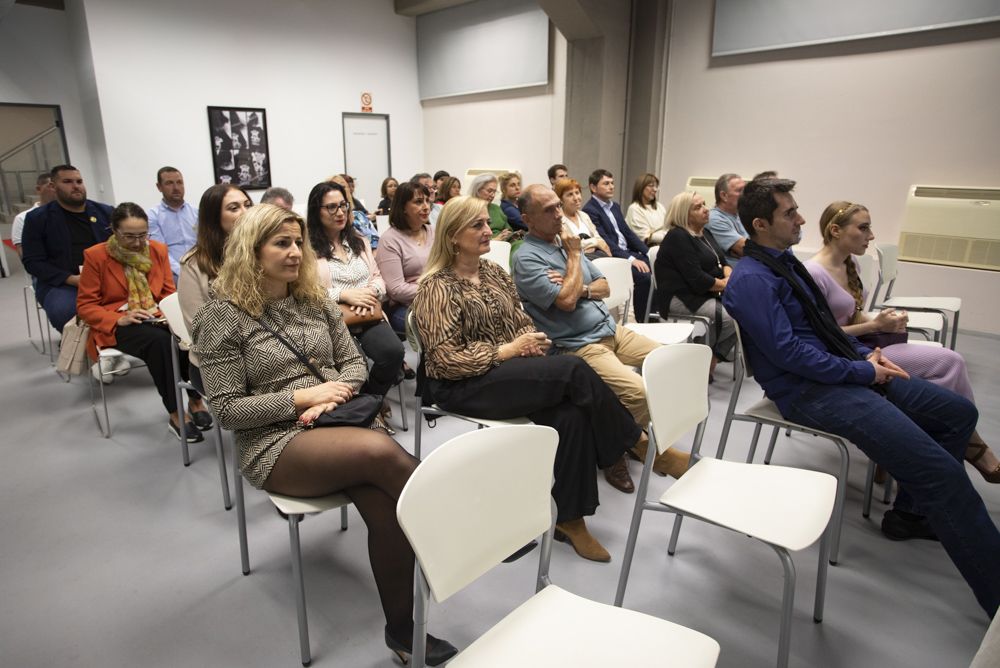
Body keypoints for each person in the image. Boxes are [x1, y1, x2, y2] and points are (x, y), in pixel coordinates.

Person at [723, 177, 1000, 618]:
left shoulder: (786, 264)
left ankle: (912, 514)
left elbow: (825, 329)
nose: (800, 218)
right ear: (760, 224)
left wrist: (865, 352)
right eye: (789, 213)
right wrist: (864, 371)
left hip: (842, 371)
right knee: (941, 473)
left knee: (957, 412)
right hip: (809, 392)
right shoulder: (753, 280)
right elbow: (792, 355)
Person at [191, 204, 456, 665]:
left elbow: (354, 363)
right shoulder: (222, 317)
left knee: (386, 508)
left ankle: (402, 633)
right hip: (275, 443)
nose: (295, 253)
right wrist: (302, 399)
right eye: (281, 244)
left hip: (336, 425)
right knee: (378, 451)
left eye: (298, 243)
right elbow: (228, 411)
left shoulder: (315, 302)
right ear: (250, 252)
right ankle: (464, 522)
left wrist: (335, 395)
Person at [412, 195, 643, 562]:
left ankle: (571, 519)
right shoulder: (436, 286)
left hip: (503, 371)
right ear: (453, 236)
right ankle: (634, 440)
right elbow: (443, 361)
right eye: (477, 225)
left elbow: (520, 322)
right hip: (460, 384)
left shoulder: (493, 272)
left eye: (487, 224)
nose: (489, 230)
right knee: (572, 369)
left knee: (572, 415)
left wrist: (530, 341)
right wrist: (507, 350)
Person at [805, 200, 999, 483]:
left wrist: (885, 321)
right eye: (864, 228)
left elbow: (852, 316)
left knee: (946, 368)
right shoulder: (813, 274)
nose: (871, 236)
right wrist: (875, 324)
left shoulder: (852, 264)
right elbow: (822, 336)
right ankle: (969, 448)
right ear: (835, 230)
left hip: (864, 344)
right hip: (846, 354)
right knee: (950, 364)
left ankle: (947, 448)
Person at [513, 185, 690, 482]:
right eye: (549, 210)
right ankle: (615, 449)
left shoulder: (564, 241)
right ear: (527, 218)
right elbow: (566, 303)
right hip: (579, 344)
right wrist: (573, 258)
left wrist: (576, 285)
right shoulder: (528, 258)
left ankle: (619, 437)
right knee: (640, 392)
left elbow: (603, 287)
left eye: (558, 206)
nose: (559, 214)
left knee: (671, 362)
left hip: (611, 330)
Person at [77, 202, 208, 442]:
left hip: (154, 315)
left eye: (142, 235)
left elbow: (168, 294)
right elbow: (85, 307)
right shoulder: (96, 256)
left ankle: (195, 401)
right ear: (113, 231)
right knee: (160, 343)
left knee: (182, 337)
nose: (138, 243)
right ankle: (176, 414)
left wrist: (164, 314)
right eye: (129, 236)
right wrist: (120, 318)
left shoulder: (156, 250)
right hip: (119, 323)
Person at [307, 181, 404, 416]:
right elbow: (306, 292)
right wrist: (343, 295)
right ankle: (369, 411)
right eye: (331, 207)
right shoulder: (306, 249)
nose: (340, 213)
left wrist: (371, 293)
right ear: (316, 211)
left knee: (393, 353)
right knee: (355, 365)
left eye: (343, 206)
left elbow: (379, 277)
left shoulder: (358, 241)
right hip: (333, 319)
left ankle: (372, 400)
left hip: (367, 312)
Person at [177, 184, 253, 392]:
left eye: (247, 205)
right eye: (234, 208)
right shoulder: (194, 264)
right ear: (214, 218)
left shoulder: (260, 254)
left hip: (262, 352)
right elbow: (202, 331)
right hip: (217, 363)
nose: (245, 213)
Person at [21, 164, 113, 332]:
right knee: (66, 312)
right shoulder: (38, 219)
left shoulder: (105, 213)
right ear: (53, 186)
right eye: (68, 181)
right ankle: (84, 350)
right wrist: (71, 279)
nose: (76, 186)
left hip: (107, 278)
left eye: (79, 181)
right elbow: (32, 262)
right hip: (63, 283)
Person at [655, 191, 736, 377]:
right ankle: (701, 359)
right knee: (729, 317)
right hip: (681, 297)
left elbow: (723, 262)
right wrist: (725, 284)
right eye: (698, 207)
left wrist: (728, 277)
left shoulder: (704, 232)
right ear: (685, 214)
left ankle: (710, 356)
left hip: (706, 292)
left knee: (746, 311)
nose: (706, 210)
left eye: (704, 204)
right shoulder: (678, 237)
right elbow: (697, 278)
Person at [582, 168, 651, 322]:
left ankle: (650, 316)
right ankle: (638, 320)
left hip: (628, 252)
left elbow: (628, 233)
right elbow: (607, 242)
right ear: (593, 188)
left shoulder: (615, 206)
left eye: (612, 183)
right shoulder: (590, 210)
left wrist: (648, 252)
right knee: (643, 277)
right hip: (615, 255)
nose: (611, 186)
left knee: (657, 267)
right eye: (606, 183)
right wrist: (631, 260)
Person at [375, 181, 433, 332]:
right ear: (403, 207)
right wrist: (435, 289)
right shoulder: (390, 240)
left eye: (427, 200)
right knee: (441, 323)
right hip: (404, 306)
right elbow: (396, 289)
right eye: (419, 202)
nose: (426, 206)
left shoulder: (434, 231)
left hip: (439, 299)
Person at [148, 166, 198, 285]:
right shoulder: (153, 216)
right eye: (169, 183)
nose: (176, 188)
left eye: (179, 182)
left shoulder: (197, 212)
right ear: (159, 187)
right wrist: (183, 272)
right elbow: (161, 252)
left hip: (199, 267)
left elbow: (203, 244)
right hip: (172, 272)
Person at [556, 178, 611, 261]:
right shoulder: (558, 219)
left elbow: (600, 240)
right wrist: (594, 243)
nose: (576, 198)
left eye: (577, 193)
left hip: (595, 259)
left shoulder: (584, 215)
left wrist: (589, 244)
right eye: (570, 194)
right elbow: (568, 246)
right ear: (561, 199)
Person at [468, 173, 522, 254]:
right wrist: (494, 240)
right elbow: (469, 237)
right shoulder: (469, 209)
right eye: (489, 191)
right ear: (478, 190)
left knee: (521, 245)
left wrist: (507, 234)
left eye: (494, 192)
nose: (492, 195)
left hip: (505, 242)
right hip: (487, 245)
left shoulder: (496, 208)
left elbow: (508, 228)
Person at [705, 172, 747, 266]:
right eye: (740, 190)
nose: (745, 194)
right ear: (724, 196)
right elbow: (745, 249)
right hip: (737, 273)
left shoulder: (740, 214)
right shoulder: (714, 218)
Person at [11, 172, 55, 258]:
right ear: (39, 189)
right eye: (51, 186)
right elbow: (24, 253)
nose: (56, 189)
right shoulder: (22, 218)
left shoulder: (71, 212)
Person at [329, 175, 378, 250]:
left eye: (343, 187)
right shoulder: (331, 223)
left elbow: (376, 240)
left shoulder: (360, 216)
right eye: (336, 187)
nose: (341, 190)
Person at [625, 173, 668, 245]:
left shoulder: (660, 207)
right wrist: (668, 236)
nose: (655, 189)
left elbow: (668, 227)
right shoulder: (635, 209)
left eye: (656, 186)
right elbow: (645, 237)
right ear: (641, 187)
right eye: (651, 186)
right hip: (646, 250)